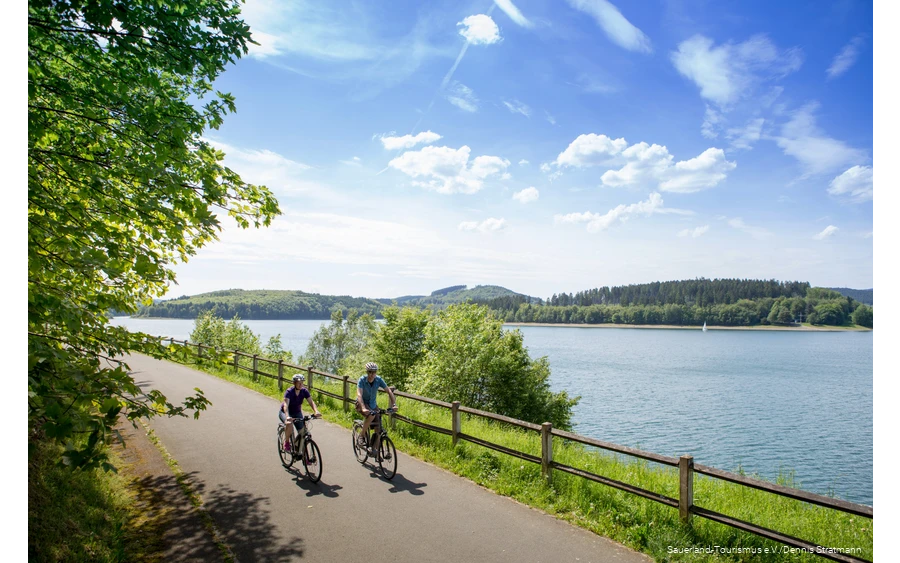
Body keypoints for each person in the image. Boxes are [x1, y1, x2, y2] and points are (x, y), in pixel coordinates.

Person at [356, 362, 397, 453]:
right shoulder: (362, 380)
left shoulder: (378, 380)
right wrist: (363, 407)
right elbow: (359, 394)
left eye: (374, 372)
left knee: (379, 429)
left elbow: (389, 391)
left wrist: (394, 404)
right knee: (371, 415)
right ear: (367, 372)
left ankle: (374, 450)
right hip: (361, 403)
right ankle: (361, 436)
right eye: (370, 372)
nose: (372, 374)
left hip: (373, 405)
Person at [280, 373, 321, 452]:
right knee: (289, 424)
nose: (301, 384)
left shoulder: (304, 391)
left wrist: (316, 411)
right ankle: (287, 442)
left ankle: (301, 453)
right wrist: (287, 416)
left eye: (302, 382)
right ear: (294, 383)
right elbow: (285, 405)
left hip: (297, 412)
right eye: (299, 383)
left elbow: (311, 402)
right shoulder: (289, 392)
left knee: (303, 433)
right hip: (286, 412)